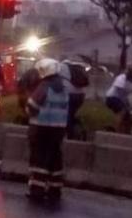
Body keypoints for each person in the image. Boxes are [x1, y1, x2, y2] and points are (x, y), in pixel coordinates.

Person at [25, 58, 69, 202]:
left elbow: (32, 106)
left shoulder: (44, 86)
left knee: (39, 159)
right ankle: (54, 190)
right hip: (59, 129)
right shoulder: (63, 87)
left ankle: (37, 190)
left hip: (41, 128)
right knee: (55, 159)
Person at [105, 65, 132, 133]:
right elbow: (120, 93)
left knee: (129, 116)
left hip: (122, 99)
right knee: (122, 111)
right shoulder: (121, 78)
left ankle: (126, 132)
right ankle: (117, 130)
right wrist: (128, 105)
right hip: (112, 97)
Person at [59, 61, 89, 139]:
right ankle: (79, 129)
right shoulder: (78, 67)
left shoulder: (60, 66)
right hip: (81, 95)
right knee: (71, 113)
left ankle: (70, 134)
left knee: (66, 114)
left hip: (69, 93)